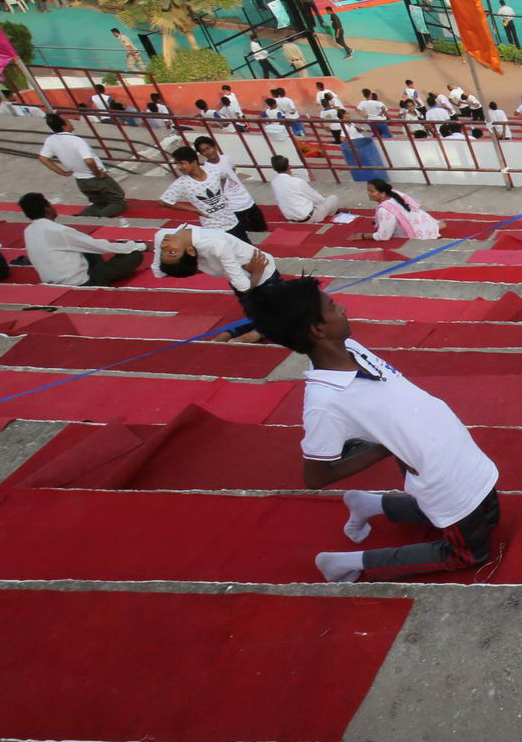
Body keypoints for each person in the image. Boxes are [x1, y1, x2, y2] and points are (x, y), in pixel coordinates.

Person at [247, 276, 501, 582]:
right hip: (439, 474)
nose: (341, 307)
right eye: (331, 306)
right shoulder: (323, 402)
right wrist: (383, 448)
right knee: (470, 552)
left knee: (491, 518)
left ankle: (371, 504)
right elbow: (316, 476)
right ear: (317, 329)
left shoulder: (351, 347)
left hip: (457, 447)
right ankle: (345, 563)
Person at [152, 223, 279, 341]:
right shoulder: (215, 245)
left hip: (247, 276)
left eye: (164, 251)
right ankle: (248, 336)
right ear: (190, 251)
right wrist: (256, 272)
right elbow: (243, 287)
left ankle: (232, 333)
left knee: (261, 312)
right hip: (259, 273)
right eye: (172, 252)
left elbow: (159, 271)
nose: (164, 246)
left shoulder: (161, 236)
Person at [18, 192, 145, 286]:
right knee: (134, 254)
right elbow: (100, 247)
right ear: (47, 209)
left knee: (84, 245)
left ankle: (100, 269)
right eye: (50, 204)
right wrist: (140, 246)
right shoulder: (58, 231)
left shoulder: (28, 231)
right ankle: (101, 276)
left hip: (52, 283)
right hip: (81, 282)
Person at [37, 115, 126, 216]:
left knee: (100, 202)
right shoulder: (76, 140)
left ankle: (81, 217)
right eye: (68, 121)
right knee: (119, 202)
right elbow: (89, 161)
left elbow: (43, 158)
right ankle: (98, 218)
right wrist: (97, 173)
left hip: (80, 180)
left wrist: (63, 173)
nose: (70, 122)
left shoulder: (50, 140)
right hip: (95, 177)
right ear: (64, 126)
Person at [267, 155, 341, 223]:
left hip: (291, 218)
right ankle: (329, 216)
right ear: (289, 166)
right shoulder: (297, 181)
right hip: (308, 218)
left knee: (308, 200)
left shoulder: (274, 182)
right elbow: (318, 198)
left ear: (274, 169)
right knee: (333, 198)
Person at [365, 179, 441, 241]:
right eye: (368, 191)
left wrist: (362, 236)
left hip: (416, 233)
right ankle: (433, 227)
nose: (369, 194)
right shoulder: (394, 193)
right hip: (422, 222)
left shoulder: (384, 210)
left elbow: (384, 236)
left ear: (383, 193)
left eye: (372, 191)